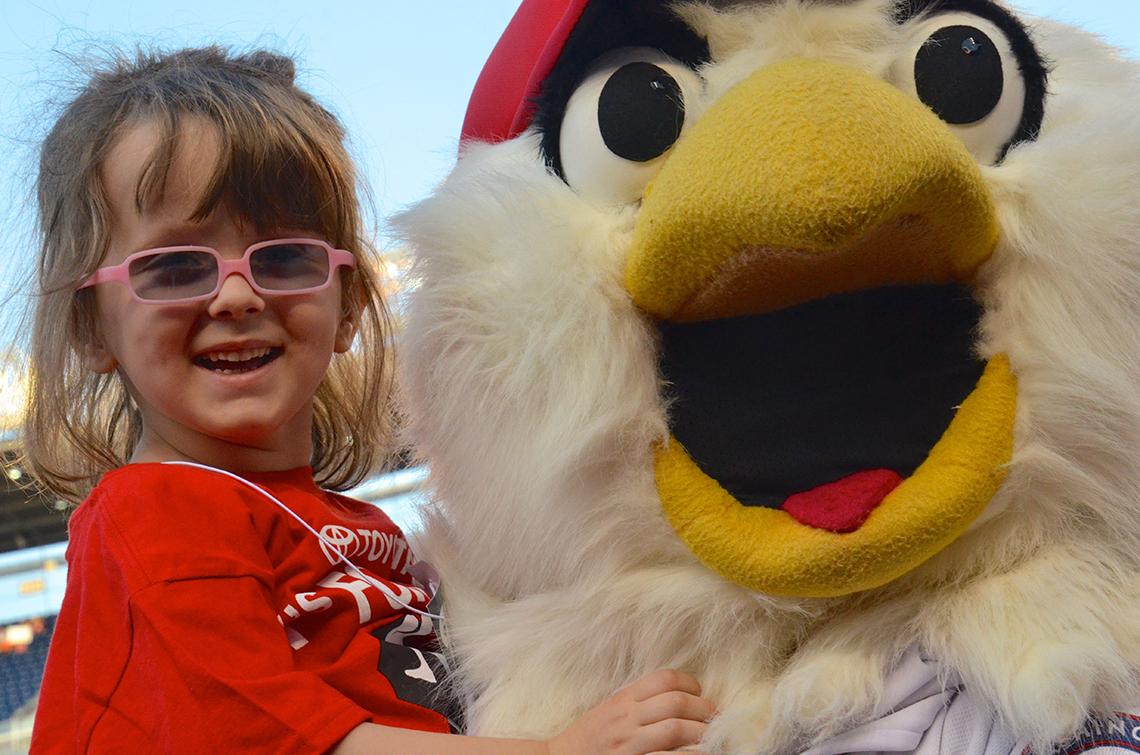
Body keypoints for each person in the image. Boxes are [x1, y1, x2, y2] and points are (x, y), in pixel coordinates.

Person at [25, 46, 714, 754]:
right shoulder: (156, 511)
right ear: (88, 324)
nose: (236, 295)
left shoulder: (351, 527)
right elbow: (289, 741)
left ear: (348, 304)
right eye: (174, 268)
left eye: (285, 258)